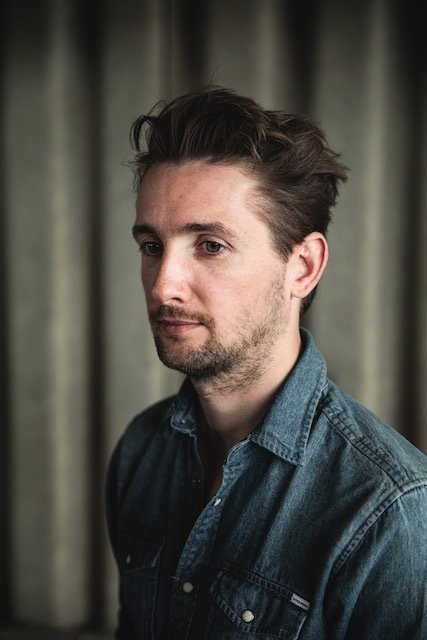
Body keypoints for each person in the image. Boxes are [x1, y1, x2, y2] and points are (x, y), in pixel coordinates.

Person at [105, 87, 427, 640]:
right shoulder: (142, 450)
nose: (162, 286)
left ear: (303, 266)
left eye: (210, 245)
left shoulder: (388, 511)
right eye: (152, 246)